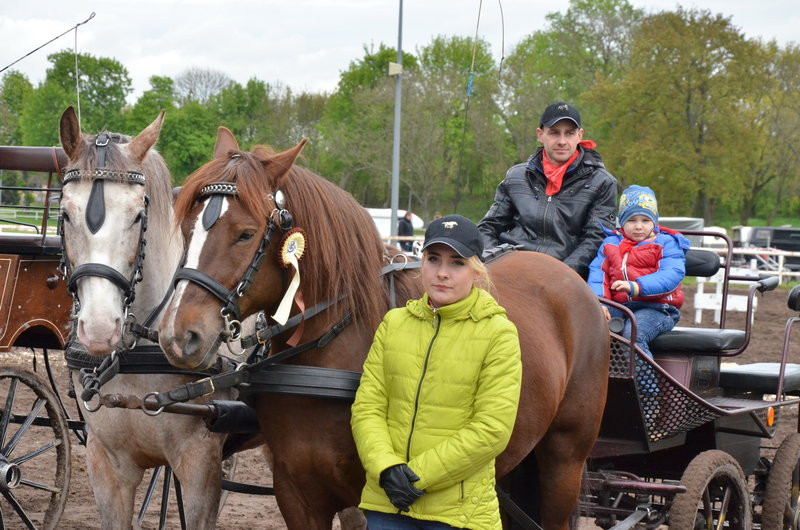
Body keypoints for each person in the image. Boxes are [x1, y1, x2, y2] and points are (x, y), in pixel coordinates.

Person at [351, 214, 522, 530]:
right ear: (422, 264)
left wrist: (418, 477)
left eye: (457, 263)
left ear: (476, 271)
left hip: (458, 513)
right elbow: (367, 408)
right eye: (433, 259)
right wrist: (387, 468)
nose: (442, 273)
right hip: (388, 503)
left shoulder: (499, 333)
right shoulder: (393, 324)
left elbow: (492, 427)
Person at [478, 101, 618, 279]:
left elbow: (595, 239)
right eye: (554, 133)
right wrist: (496, 263)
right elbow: (488, 227)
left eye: (569, 133)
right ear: (540, 134)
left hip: (564, 276)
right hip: (511, 268)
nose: (562, 141)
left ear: (579, 135)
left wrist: (560, 276)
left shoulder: (603, 182)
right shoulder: (516, 176)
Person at [588, 185, 690, 358]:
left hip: (658, 308)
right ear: (622, 222)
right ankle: (597, 382)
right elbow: (598, 275)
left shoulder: (667, 243)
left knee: (632, 335)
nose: (638, 226)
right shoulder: (610, 243)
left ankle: (647, 385)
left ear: (654, 222)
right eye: (632, 220)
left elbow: (671, 275)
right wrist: (601, 303)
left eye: (645, 220)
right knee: (587, 328)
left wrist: (636, 287)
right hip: (620, 307)